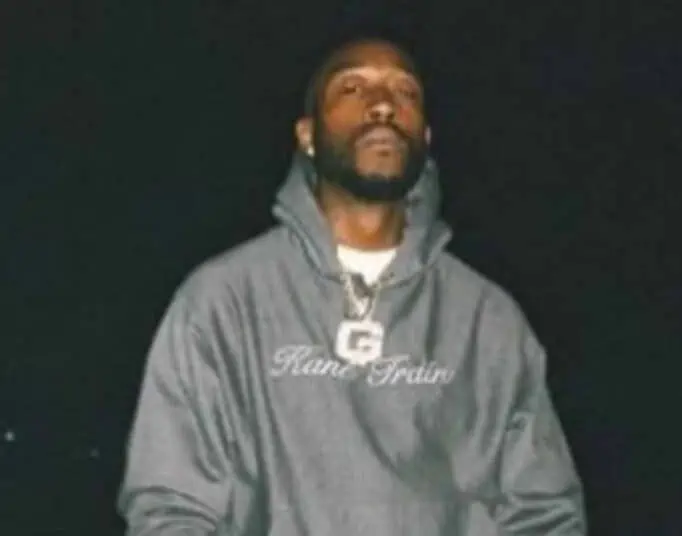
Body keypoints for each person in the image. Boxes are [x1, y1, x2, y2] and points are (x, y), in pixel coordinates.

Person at [117, 37, 587, 535]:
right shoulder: (223, 302)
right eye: (352, 88)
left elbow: (543, 515)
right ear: (308, 135)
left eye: (405, 92)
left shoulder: (487, 320)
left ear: (426, 136)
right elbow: (171, 506)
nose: (383, 105)